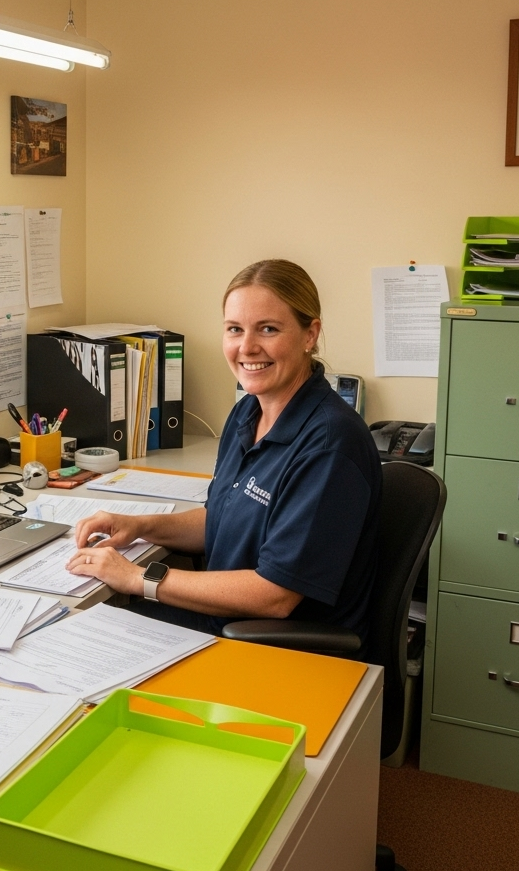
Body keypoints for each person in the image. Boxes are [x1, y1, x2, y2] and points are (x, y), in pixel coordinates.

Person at [65, 259, 382, 644]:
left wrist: (137, 577)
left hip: (278, 646)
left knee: (91, 634)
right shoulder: (248, 411)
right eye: (235, 329)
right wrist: (140, 526)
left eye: (268, 329)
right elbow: (223, 519)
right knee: (83, 620)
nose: (246, 348)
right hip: (224, 619)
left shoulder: (330, 445)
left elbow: (275, 595)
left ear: (309, 334)